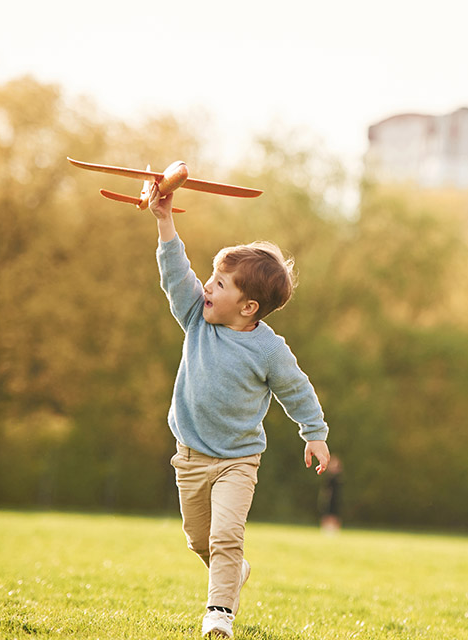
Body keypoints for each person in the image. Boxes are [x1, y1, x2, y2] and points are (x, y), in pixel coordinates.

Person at [148, 183, 331, 639]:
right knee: (199, 539)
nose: (207, 286)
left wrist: (315, 431)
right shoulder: (195, 315)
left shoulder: (268, 349)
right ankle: (234, 572)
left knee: (226, 536)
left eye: (220, 284)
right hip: (189, 456)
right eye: (211, 278)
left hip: (237, 461)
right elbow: (176, 273)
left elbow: (296, 389)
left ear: (248, 307)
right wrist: (163, 219)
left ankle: (219, 614)